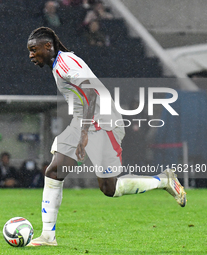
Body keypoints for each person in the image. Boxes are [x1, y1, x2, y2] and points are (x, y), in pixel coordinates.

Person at [26, 27, 187, 246]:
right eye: (29, 51)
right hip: (84, 120)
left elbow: (90, 92)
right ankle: (48, 236)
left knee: (109, 188)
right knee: (54, 171)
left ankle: (163, 181)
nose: (31, 55)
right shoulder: (59, 64)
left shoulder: (66, 63)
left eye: (34, 50)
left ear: (48, 46)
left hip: (103, 121)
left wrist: (84, 133)